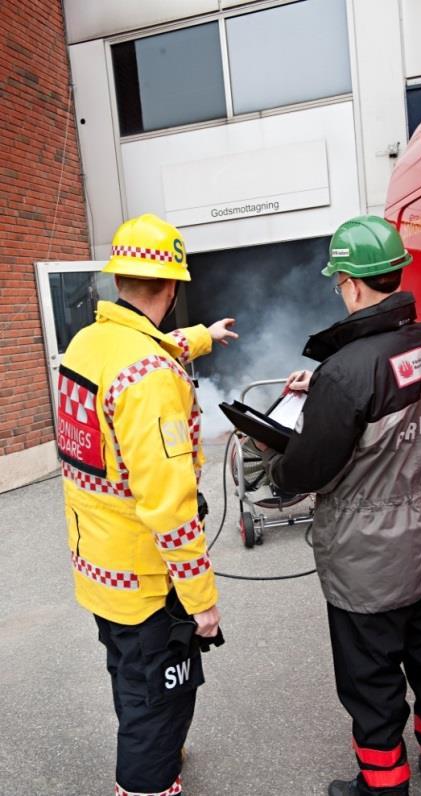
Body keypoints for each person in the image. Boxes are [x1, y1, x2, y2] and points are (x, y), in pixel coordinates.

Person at [260, 216, 421, 796]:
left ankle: (383, 785)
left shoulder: (346, 370)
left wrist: (275, 454)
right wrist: (327, 394)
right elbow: (396, 405)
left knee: (371, 679)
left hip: (366, 560)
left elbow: (309, 470)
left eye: (338, 282)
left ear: (352, 283)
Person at [57, 213, 238, 796]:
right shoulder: (150, 376)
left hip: (99, 567)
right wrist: (202, 602)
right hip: (148, 582)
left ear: (120, 283)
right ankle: (148, 783)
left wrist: (203, 337)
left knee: (130, 679)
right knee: (157, 704)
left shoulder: (88, 343)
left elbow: (142, 354)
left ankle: (156, 757)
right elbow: (169, 505)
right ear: (171, 287)